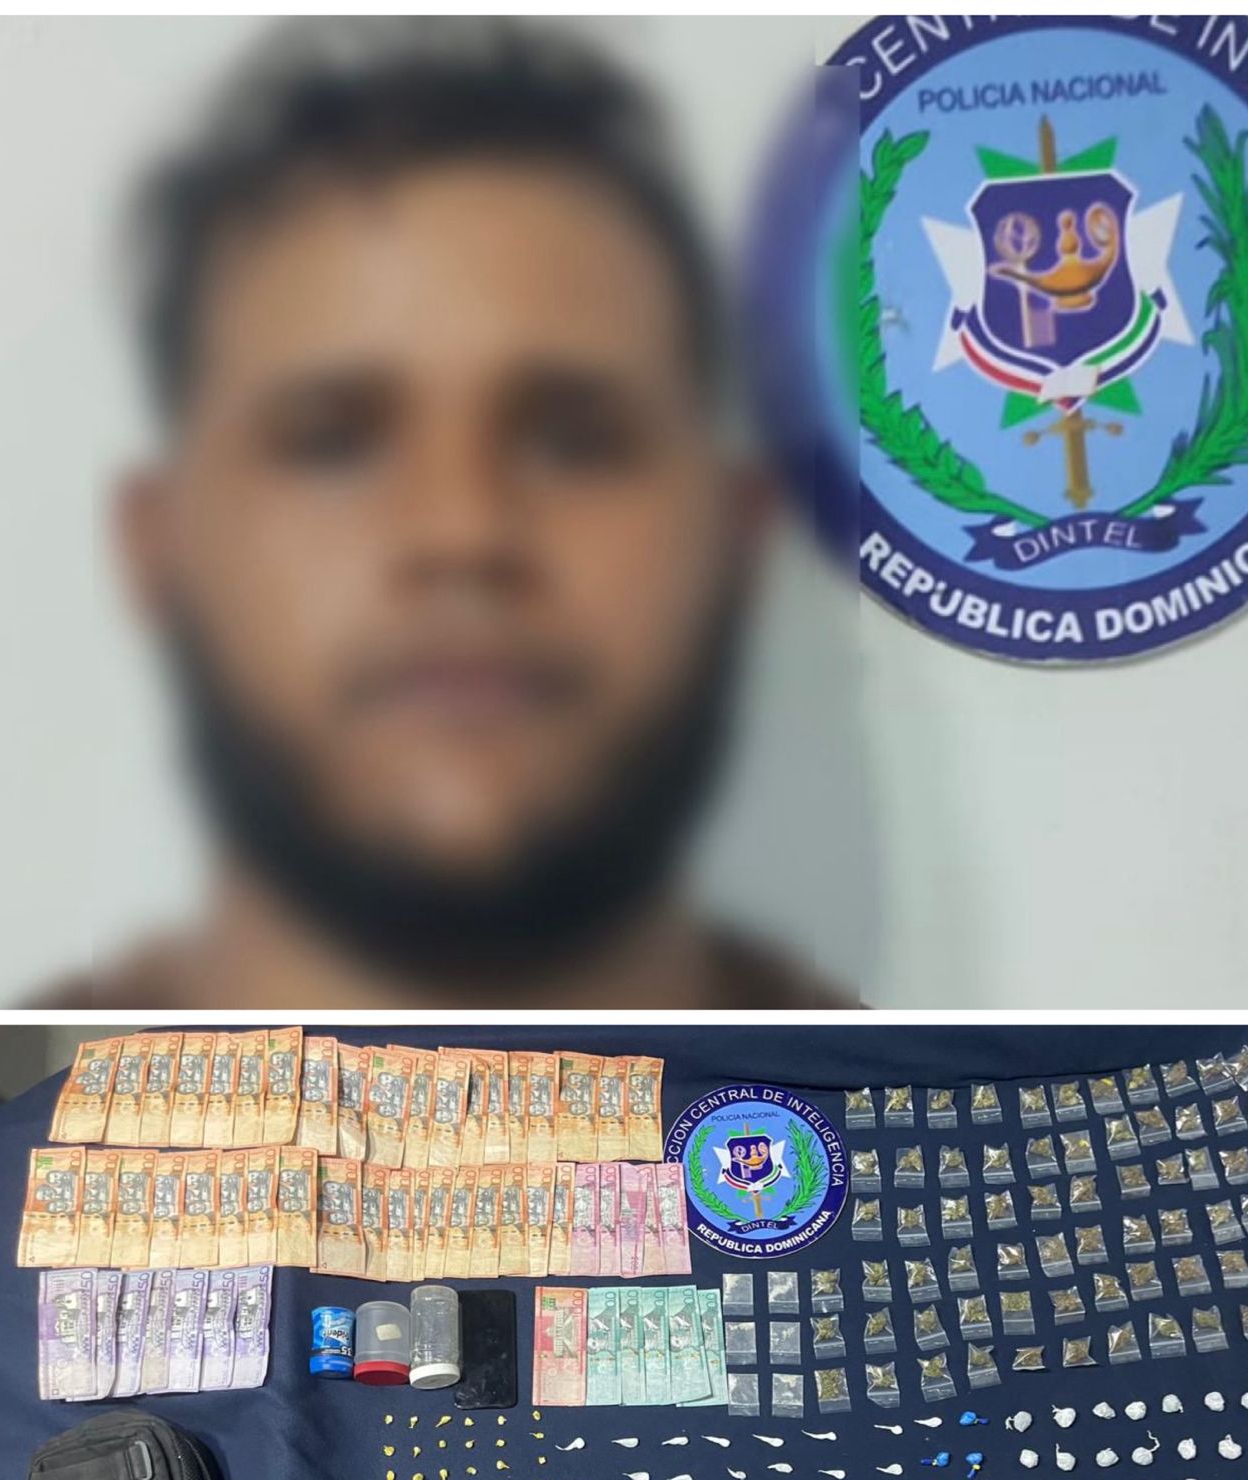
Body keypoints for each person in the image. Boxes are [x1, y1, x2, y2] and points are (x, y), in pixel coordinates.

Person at [41, 17, 847, 1008]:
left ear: (738, 538)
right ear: (156, 546)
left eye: (576, 440)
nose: (462, 532)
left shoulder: (944, 1108)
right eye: (331, 442)